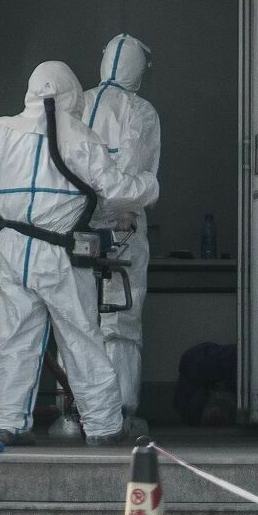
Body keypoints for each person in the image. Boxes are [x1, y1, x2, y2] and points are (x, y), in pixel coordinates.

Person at [0, 61, 159, 447]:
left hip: (12, 249)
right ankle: (103, 426)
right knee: (81, 339)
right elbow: (117, 191)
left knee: (15, 340)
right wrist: (149, 185)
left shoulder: (1, 129)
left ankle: (7, 422)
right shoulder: (82, 139)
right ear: (71, 93)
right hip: (59, 253)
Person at [81, 34, 161, 435]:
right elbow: (132, 167)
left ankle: (77, 410)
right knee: (120, 320)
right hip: (122, 230)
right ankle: (121, 410)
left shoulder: (77, 104)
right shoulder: (140, 111)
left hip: (75, 228)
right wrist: (122, 211)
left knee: (77, 319)